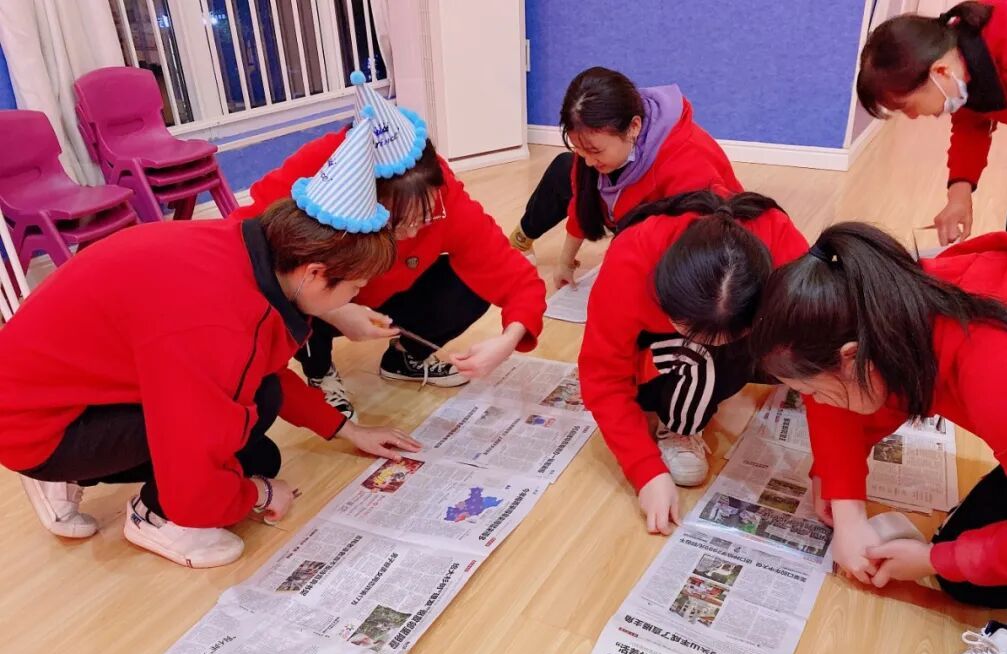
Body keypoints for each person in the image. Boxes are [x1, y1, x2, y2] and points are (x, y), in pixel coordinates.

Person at [1, 108, 420, 568]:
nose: (356, 297)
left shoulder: (244, 248)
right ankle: (155, 518)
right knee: (242, 461)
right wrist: (257, 494)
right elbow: (192, 461)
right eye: (355, 287)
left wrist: (347, 430)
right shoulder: (218, 321)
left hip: (53, 391)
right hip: (34, 425)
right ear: (315, 273)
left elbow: (262, 373)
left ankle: (80, 474)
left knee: (258, 439)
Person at [751, 222, 1007, 654]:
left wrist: (929, 560)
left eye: (814, 391)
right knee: (964, 569)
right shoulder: (891, 299)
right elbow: (840, 401)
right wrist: (846, 504)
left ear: (852, 358)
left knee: (988, 569)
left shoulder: (1004, 378)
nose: (815, 404)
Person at [236, 74, 546, 413]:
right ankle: (319, 371)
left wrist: (508, 340)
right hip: (322, 296)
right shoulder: (319, 166)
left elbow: (515, 276)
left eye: (424, 217)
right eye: (396, 223)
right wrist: (335, 311)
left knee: (472, 285)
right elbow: (247, 239)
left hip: (386, 296)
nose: (412, 233)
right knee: (288, 277)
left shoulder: (446, 198)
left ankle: (404, 358)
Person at [579, 191, 808, 535]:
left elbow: (820, 354)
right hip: (656, 358)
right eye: (688, 328)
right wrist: (646, 471)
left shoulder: (781, 245)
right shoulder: (632, 261)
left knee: (788, 367)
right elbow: (602, 376)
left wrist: (835, 480)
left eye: (726, 337)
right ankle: (679, 426)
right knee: (701, 356)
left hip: (744, 339)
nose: (712, 345)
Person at [856, 0, 1007, 257]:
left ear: (939, 72)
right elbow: (972, 119)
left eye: (907, 106)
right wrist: (959, 193)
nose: (913, 116)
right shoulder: (960, 54)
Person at [508, 66, 743, 288]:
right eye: (580, 150)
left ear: (633, 127)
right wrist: (565, 262)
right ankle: (522, 237)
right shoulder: (595, 144)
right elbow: (582, 201)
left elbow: (704, 243)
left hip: (703, 237)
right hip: (630, 216)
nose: (587, 160)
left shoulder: (687, 159)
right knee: (564, 167)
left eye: (595, 151)